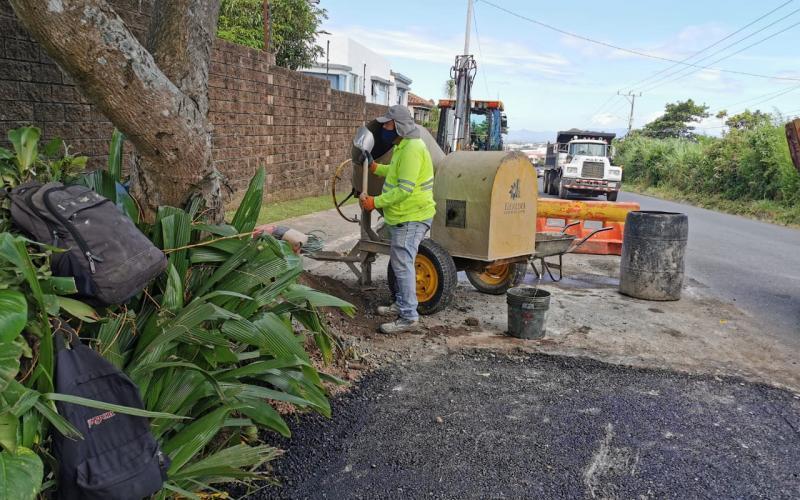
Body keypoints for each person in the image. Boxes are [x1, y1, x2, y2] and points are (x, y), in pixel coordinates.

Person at [359, 105, 436, 334]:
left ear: (399, 126)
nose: (384, 127)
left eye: (388, 124)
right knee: (401, 264)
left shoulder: (412, 148)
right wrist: (376, 167)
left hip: (411, 217)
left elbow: (403, 189)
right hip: (405, 216)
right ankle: (403, 305)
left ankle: (409, 317)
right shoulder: (404, 145)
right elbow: (395, 171)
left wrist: (375, 202)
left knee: (403, 266)